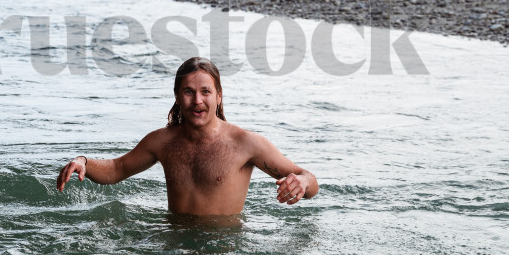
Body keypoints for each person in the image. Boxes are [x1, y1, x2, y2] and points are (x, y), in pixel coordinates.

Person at [56, 57, 319, 216]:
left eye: (205, 92)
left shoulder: (245, 144)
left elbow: (310, 179)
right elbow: (117, 169)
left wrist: (302, 183)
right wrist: (84, 163)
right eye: (188, 92)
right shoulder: (162, 142)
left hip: (224, 249)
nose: (197, 101)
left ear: (219, 96)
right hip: (173, 242)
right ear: (177, 96)